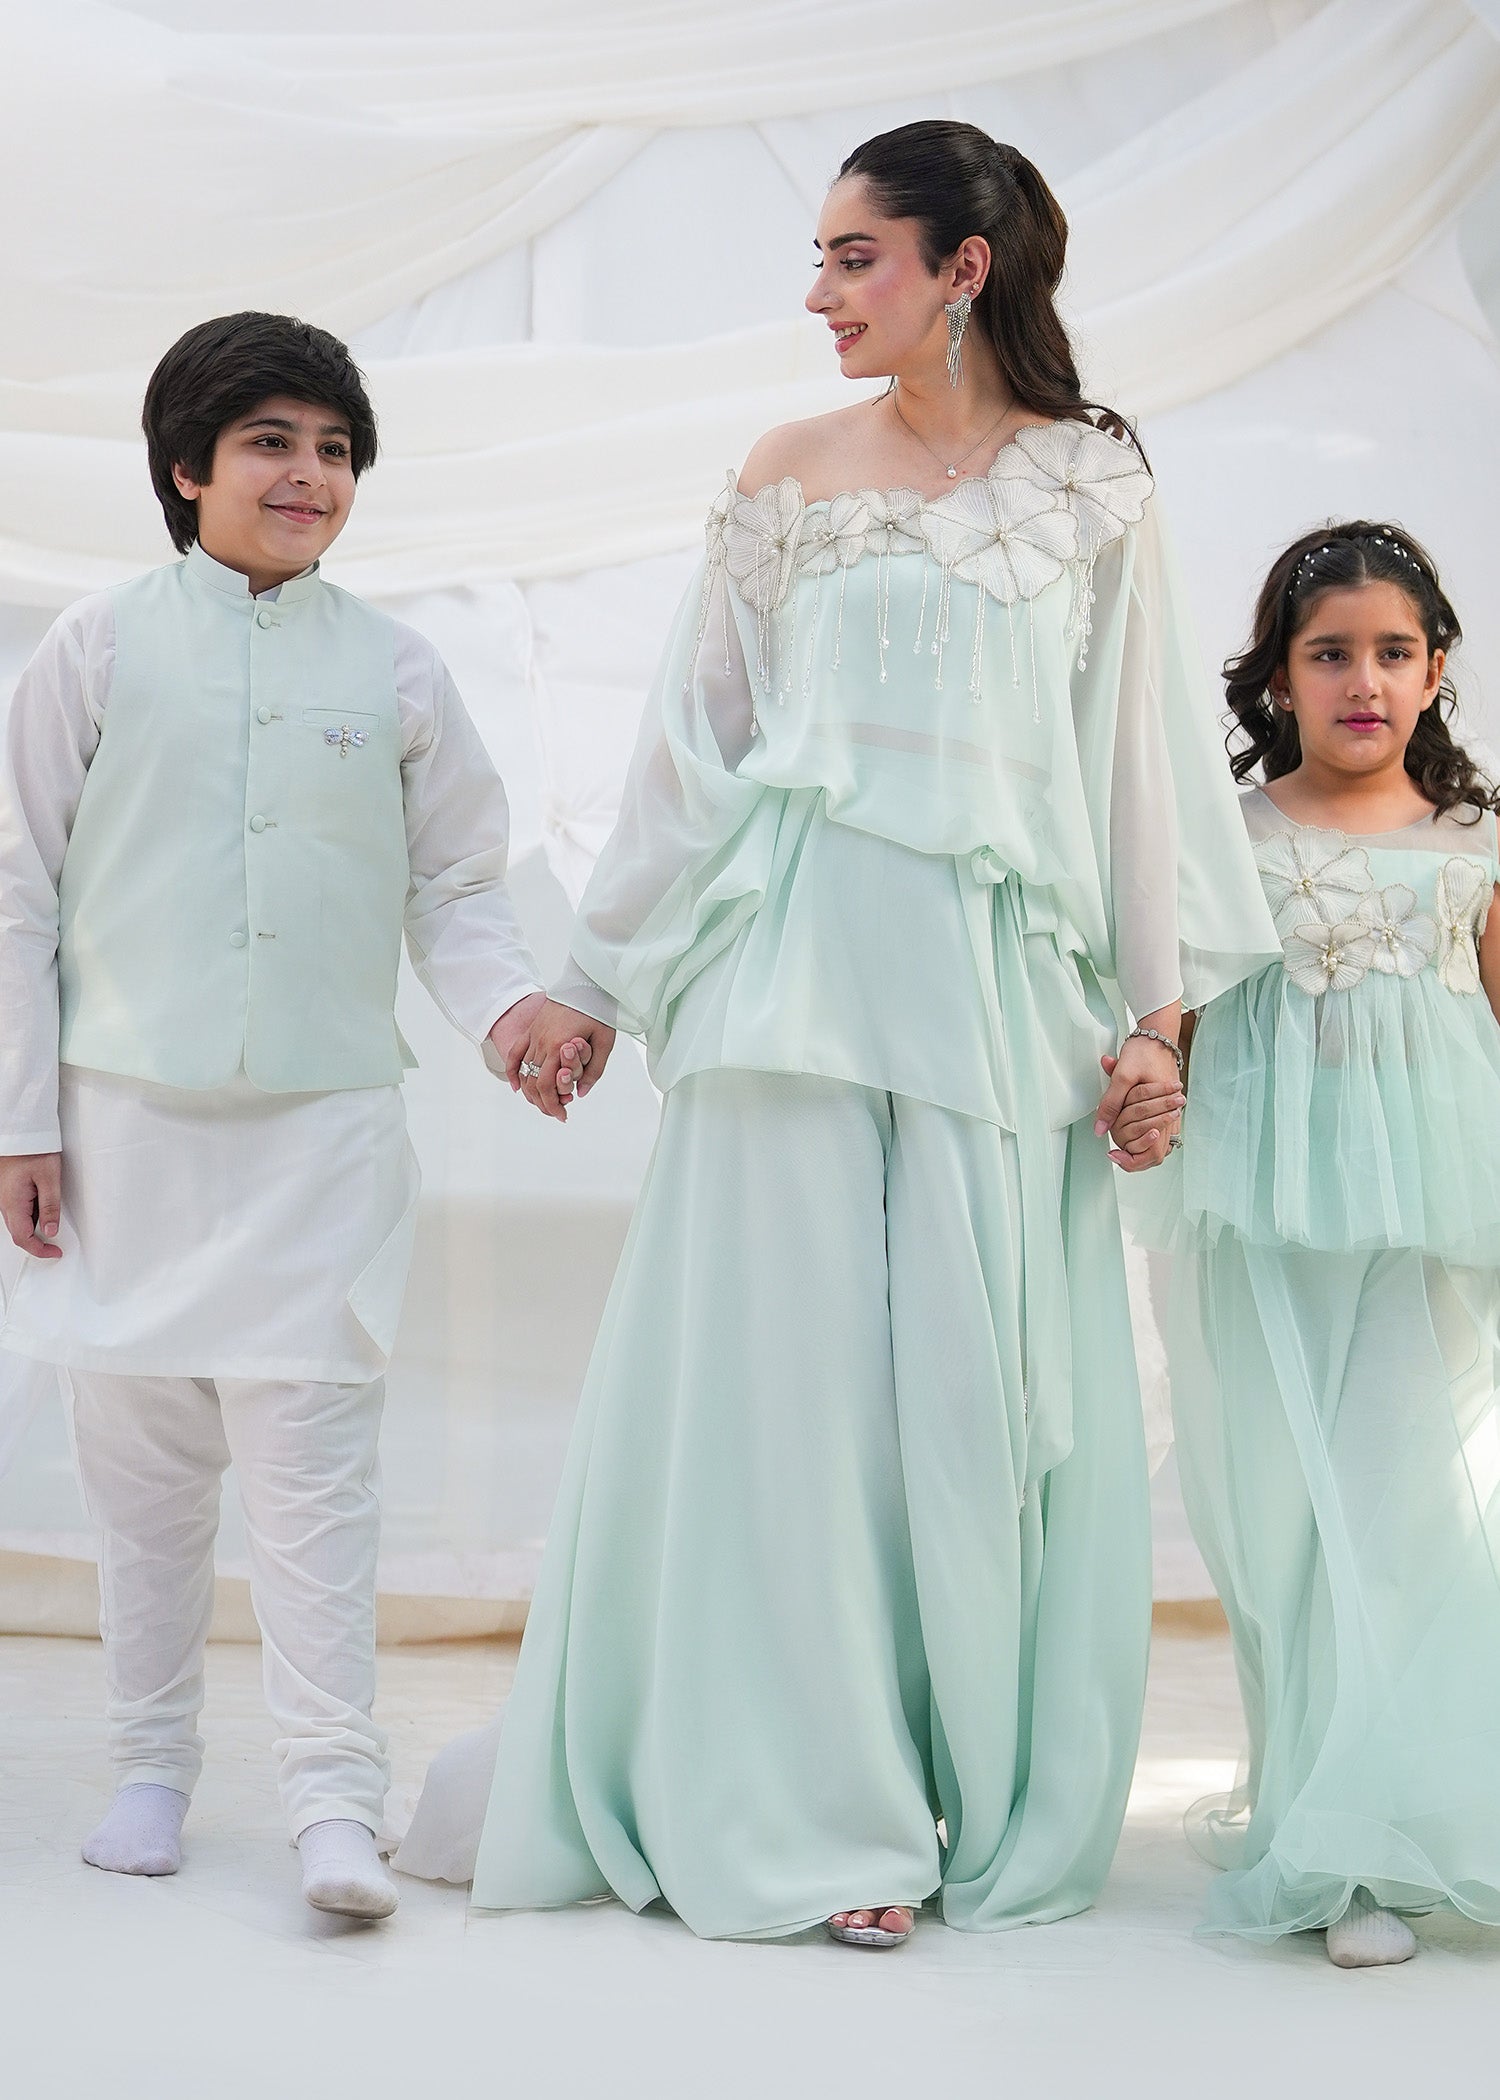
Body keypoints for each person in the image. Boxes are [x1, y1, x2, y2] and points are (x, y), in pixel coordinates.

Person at [398, 120, 1277, 1943]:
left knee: (960, 1409)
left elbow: (1137, 769)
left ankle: (948, 1780)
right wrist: (591, 983)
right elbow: (694, 748)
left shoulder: (1093, 485)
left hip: (995, 999)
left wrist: (1158, 1025)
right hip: (788, 981)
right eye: (816, 256)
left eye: (852, 256)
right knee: (783, 1396)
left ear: (965, 267)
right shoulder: (786, 472)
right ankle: (819, 1813)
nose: (817, 294)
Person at [0, 312, 545, 1919]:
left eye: (334, 449)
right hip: (121, 1139)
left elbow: (459, 885)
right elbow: (15, 891)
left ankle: (332, 1800)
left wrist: (509, 1014)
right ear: (188, 467)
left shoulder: (397, 667)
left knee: (314, 1483)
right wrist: (22, 1120)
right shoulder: (95, 646)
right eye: (270, 443)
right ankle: (149, 1771)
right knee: (144, 1486)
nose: (309, 474)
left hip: (321, 1142)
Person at [1136, 521, 1500, 1966]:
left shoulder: (1475, 841)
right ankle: (1314, 1810)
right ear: (1278, 677)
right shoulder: (1225, 839)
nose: (1364, 681)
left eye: (1393, 652)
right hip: (1262, 1213)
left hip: (1433, 1218)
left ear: (1437, 669)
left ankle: (1372, 1846)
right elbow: (1174, 1017)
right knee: (1279, 1522)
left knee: (1403, 1511)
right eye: (1330, 653)